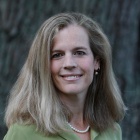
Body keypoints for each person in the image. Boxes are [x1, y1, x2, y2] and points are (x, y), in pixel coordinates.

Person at [3, 12, 126, 140]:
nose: (69, 64)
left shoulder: (112, 131)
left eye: (79, 52)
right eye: (57, 55)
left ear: (97, 62)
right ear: (43, 66)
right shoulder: (23, 133)